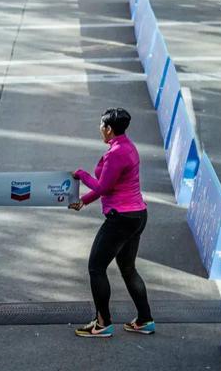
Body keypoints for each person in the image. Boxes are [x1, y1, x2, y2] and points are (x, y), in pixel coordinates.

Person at [68, 108, 154, 338]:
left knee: (96, 268)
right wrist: (84, 201)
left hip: (121, 219)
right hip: (137, 215)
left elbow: (103, 187)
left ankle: (102, 323)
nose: (99, 129)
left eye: (101, 125)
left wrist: (81, 174)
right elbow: (109, 185)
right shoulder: (127, 146)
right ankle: (145, 320)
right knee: (128, 268)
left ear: (108, 128)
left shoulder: (116, 153)